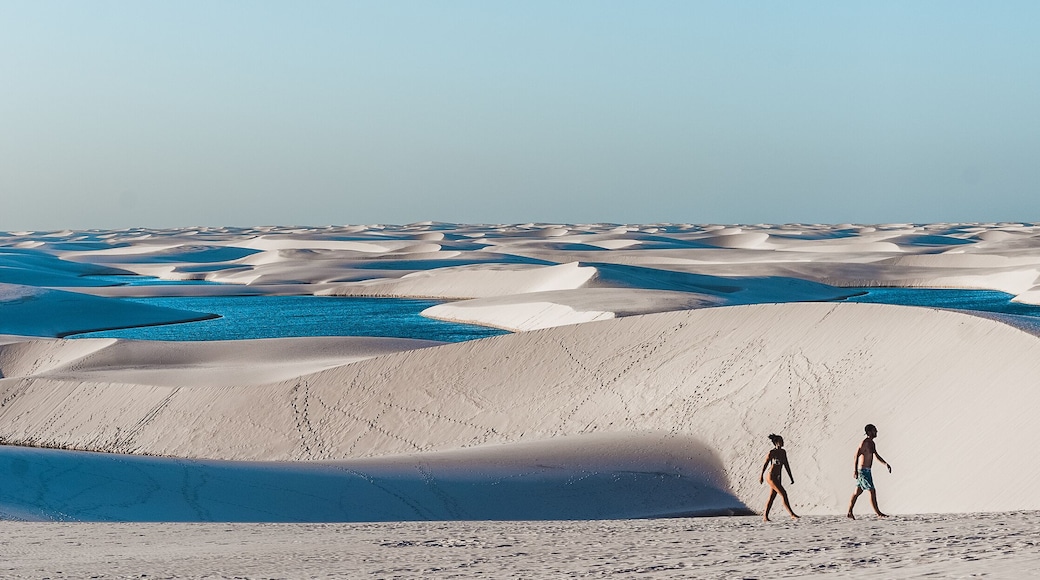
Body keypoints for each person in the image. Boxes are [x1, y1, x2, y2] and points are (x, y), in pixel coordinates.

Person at [847, 423, 892, 519]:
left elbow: (876, 455)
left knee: (857, 492)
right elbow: (856, 456)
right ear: (869, 432)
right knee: (872, 491)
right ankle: (878, 513)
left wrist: (885, 464)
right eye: (874, 430)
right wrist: (855, 471)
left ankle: (849, 512)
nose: (876, 432)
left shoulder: (872, 443)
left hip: (867, 471)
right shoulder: (864, 443)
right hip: (863, 471)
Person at [759, 433, 799, 521]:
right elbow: (765, 464)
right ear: (776, 443)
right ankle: (792, 514)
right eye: (781, 441)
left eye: (783, 441)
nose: (782, 443)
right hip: (771, 476)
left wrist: (791, 477)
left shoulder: (783, 452)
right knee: (783, 494)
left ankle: (765, 517)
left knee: (772, 497)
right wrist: (761, 476)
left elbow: (786, 465)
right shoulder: (772, 453)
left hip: (778, 477)